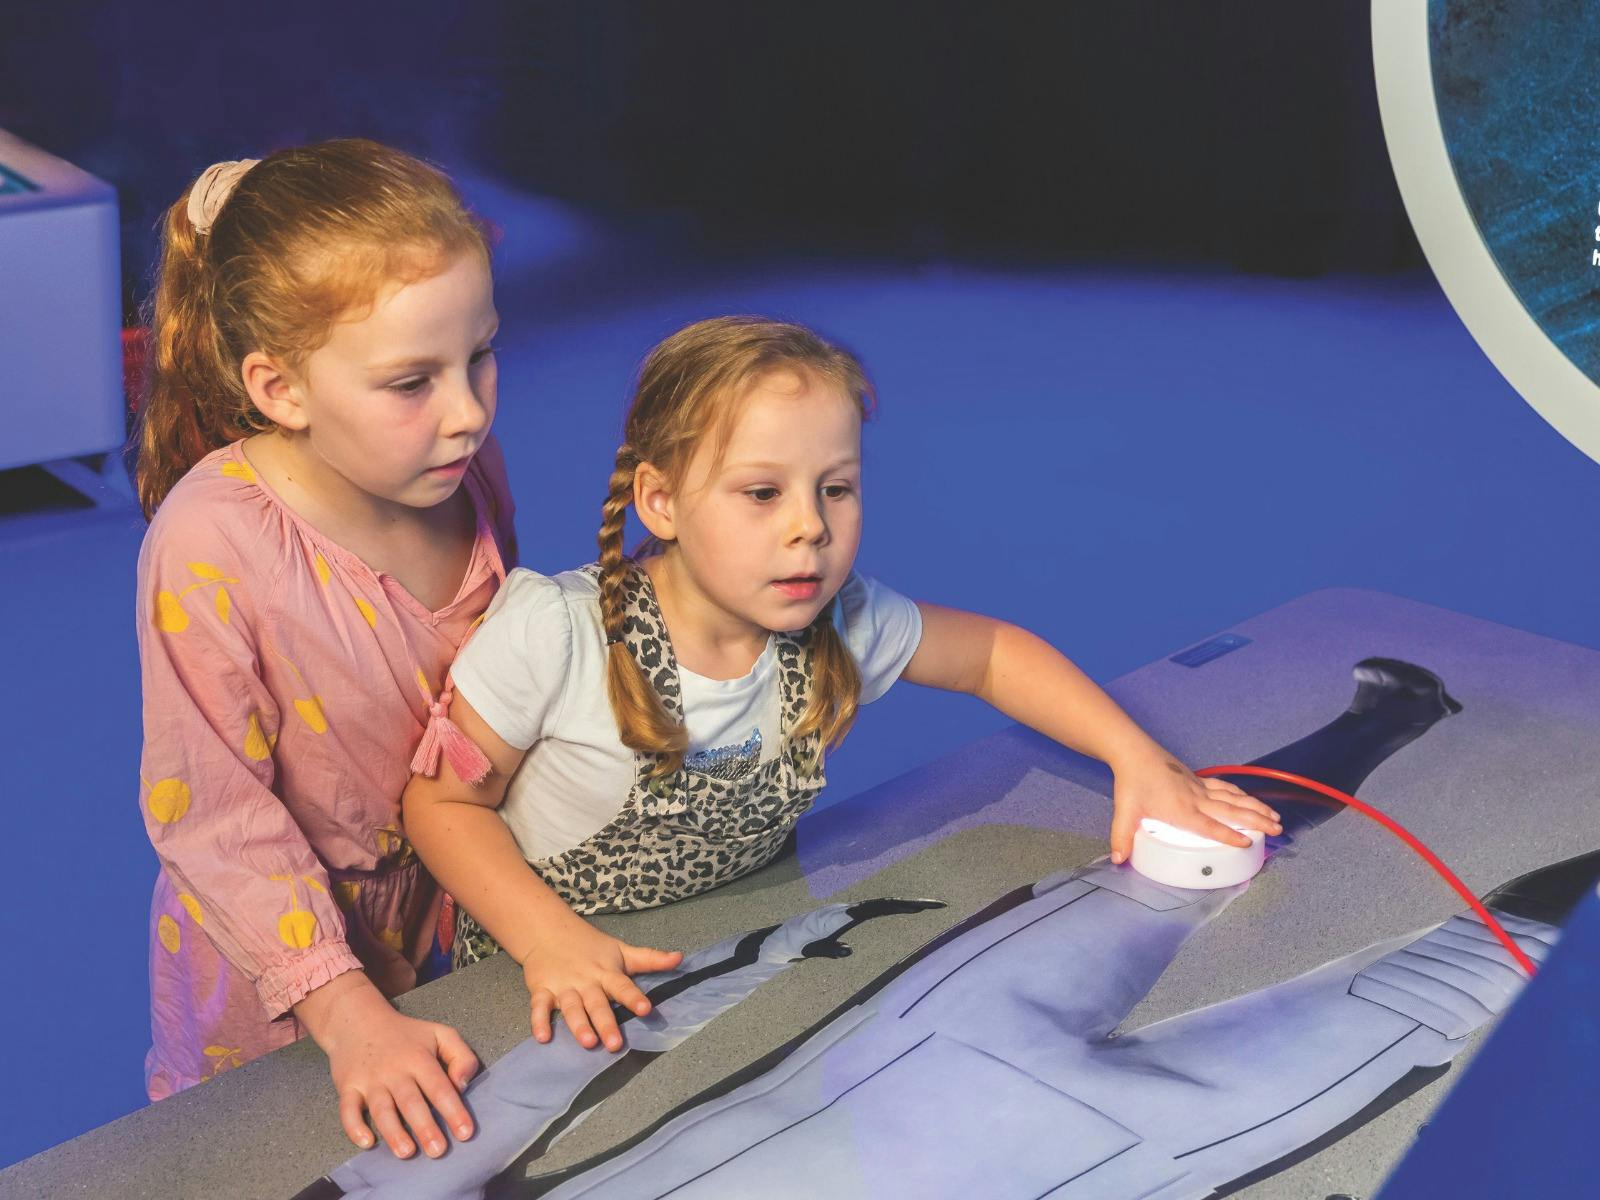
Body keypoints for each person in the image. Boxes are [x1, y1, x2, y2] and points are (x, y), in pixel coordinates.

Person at [403, 316, 1279, 1057]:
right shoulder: (554, 634)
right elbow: (442, 808)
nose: (809, 528)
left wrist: (1139, 758)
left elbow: (994, 654)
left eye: (836, 489)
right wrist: (548, 942)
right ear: (660, 503)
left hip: (734, 964)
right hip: (540, 987)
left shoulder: (841, 623)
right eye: (761, 493)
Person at [134, 139, 513, 1161]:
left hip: (444, 918)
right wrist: (345, 1013)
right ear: (280, 387)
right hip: (282, 972)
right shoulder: (210, 542)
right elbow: (214, 818)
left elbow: (499, 694)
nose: (469, 411)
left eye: (479, 355)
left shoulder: (463, 475)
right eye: (411, 381)